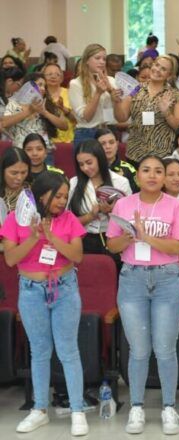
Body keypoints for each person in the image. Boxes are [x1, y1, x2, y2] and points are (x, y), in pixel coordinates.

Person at [106, 155, 179, 435]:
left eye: (159, 171)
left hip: (167, 279)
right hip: (133, 279)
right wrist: (130, 237)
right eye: (146, 170)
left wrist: (147, 237)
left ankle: (169, 407)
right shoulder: (123, 204)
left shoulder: (175, 205)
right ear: (138, 176)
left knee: (166, 349)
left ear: (166, 177)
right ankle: (137, 406)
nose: (153, 175)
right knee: (139, 349)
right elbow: (111, 245)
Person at [1, 171, 88, 436]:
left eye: (65, 196)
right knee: (39, 351)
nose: (62, 201)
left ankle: (77, 410)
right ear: (42, 195)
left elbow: (77, 256)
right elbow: (10, 259)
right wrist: (32, 237)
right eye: (57, 196)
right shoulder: (16, 219)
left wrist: (52, 237)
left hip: (63, 287)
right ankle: (39, 409)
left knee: (68, 350)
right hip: (30, 291)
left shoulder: (69, 219)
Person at [68, 139, 131, 262]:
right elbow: (68, 222)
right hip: (82, 240)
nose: (85, 168)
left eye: (89, 162)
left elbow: (129, 222)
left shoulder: (120, 182)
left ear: (100, 159)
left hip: (112, 241)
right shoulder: (74, 183)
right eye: (81, 164)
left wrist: (110, 212)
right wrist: (90, 216)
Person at [116, 55, 179, 163]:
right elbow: (121, 117)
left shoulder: (175, 95)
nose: (157, 70)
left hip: (162, 156)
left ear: (169, 75)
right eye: (157, 65)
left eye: (163, 69)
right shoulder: (136, 89)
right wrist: (117, 101)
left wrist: (167, 114)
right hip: (135, 153)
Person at [68, 44, 123, 148]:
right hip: (87, 133)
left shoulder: (111, 81)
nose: (102, 62)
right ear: (87, 61)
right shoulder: (76, 84)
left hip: (108, 131)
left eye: (104, 59)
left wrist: (110, 90)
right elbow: (86, 117)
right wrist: (98, 93)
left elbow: (120, 116)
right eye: (97, 58)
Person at [2, 73, 67, 151]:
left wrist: (45, 113)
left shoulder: (48, 104)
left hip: (45, 151)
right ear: (28, 87)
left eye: (44, 86)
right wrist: (29, 111)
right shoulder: (14, 103)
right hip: (21, 151)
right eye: (39, 85)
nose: (43, 88)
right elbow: (4, 123)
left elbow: (64, 126)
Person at [95, 128, 138, 193]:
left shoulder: (129, 169)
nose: (108, 146)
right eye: (103, 144)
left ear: (117, 144)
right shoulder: (92, 169)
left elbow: (137, 194)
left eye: (111, 142)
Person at [42, 63, 75, 143]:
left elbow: (76, 119)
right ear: (43, 78)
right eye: (49, 74)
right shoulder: (40, 94)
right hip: (45, 142)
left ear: (61, 78)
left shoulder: (70, 93)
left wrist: (63, 109)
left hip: (68, 141)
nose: (53, 77)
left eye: (57, 74)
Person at [0, 147, 31, 212]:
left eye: (23, 172)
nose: (19, 178)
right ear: (3, 171)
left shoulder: (31, 191)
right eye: (14, 173)